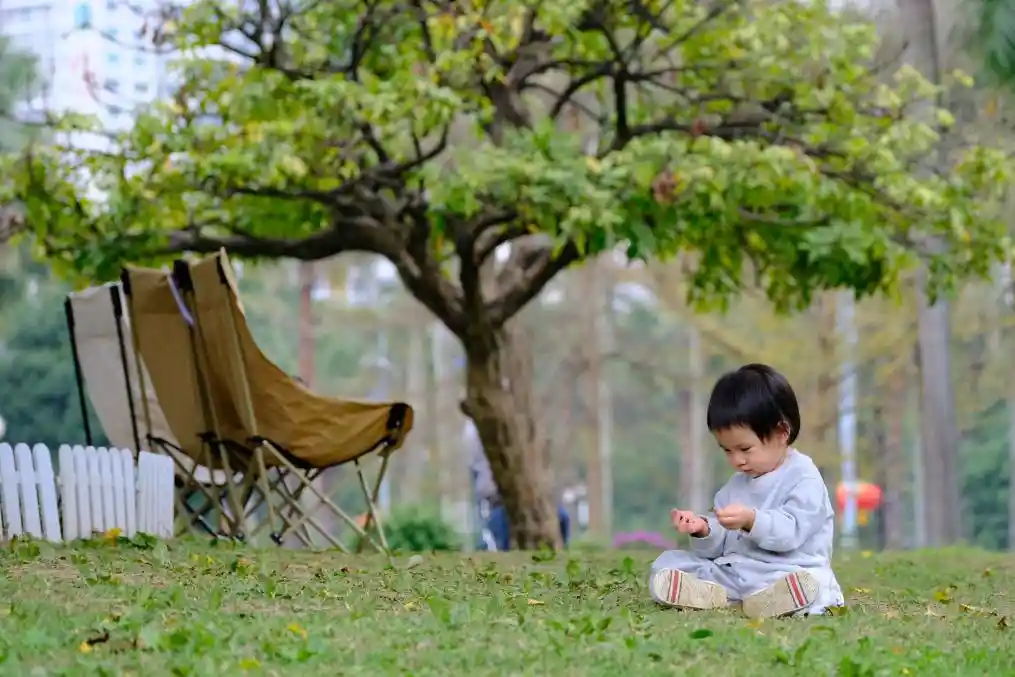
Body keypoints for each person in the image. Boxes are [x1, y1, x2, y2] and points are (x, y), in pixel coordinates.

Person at [649, 363, 844, 618]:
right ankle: (718, 595)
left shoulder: (804, 477)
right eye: (727, 450)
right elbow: (721, 545)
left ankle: (777, 599)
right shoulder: (737, 484)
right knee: (668, 563)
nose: (737, 461)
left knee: (810, 584)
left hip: (785, 569)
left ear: (782, 432)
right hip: (740, 571)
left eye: (745, 449)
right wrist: (704, 529)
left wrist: (752, 520)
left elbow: (791, 533)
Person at [466, 421, 570, 550]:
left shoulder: (526, 421)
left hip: (533, 495)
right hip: (498, 498)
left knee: (562, 518)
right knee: (503, 534)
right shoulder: (477, 429)